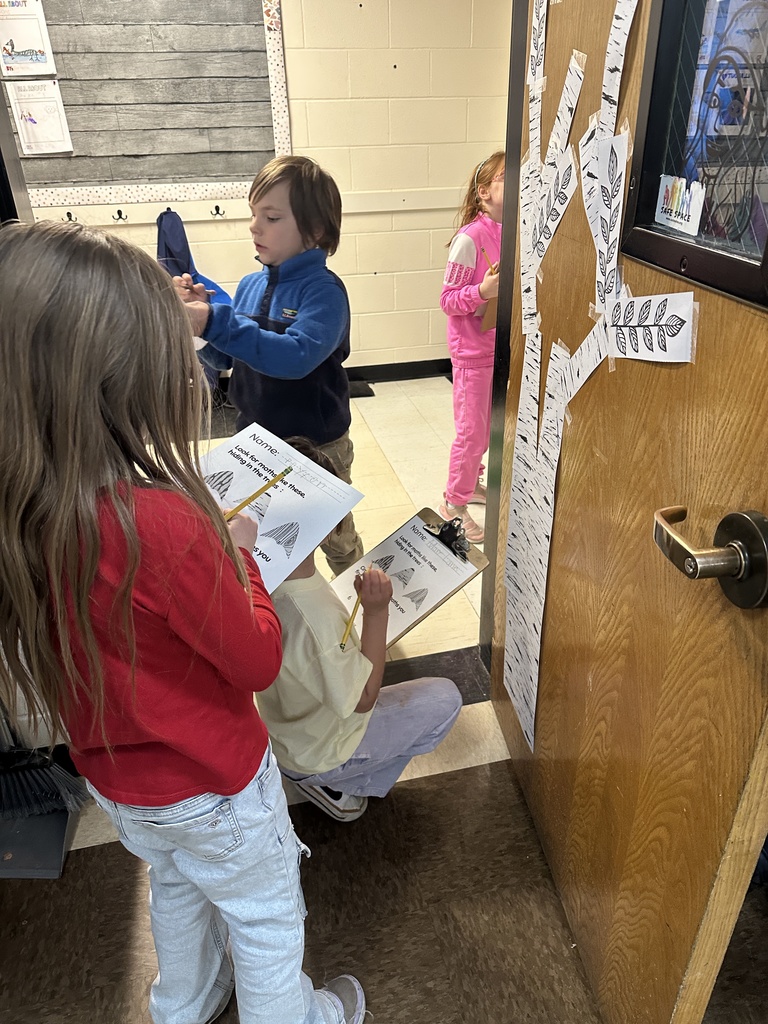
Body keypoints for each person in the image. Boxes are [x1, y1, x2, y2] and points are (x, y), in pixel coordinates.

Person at [0, 220, 365, 1024]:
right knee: (267, 919)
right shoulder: (161, 524)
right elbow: (257, 660)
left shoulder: (25, 512)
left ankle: (182, 1007)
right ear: (123, 381)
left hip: (124, 785)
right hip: (218, 786)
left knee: (177, 887)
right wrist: (239, 560)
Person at [173, 155, 363, 577]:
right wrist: (199, 325)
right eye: (254, 214)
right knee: (265, 532)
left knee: (335, 536)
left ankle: (363, 601)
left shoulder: (325, 291)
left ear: (315, 231)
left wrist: (214, 320)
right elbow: (224, 358)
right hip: (255, 439)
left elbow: (293, 359)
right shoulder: (249, 284)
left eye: (271, 217)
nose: (255, 226)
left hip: (319, 444)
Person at [256, 438, 463, 823]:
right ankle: (334, 781)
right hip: (319, 750)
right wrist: (377, 612)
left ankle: (313, 770)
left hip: (287, 727)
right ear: (327, 526)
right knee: (445, 699)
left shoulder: (258, 577)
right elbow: (364, 698)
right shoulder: (312, 617)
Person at [438, 150, 505, 544]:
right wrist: (482, 291)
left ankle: (469, 485)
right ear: (484, 192)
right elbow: (448, 299)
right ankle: (453, 503)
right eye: (505, 179)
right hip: (472, 354)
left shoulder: (510, 230)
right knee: (471, 433)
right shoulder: (469, 239)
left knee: (487, 429)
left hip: (498, 348)